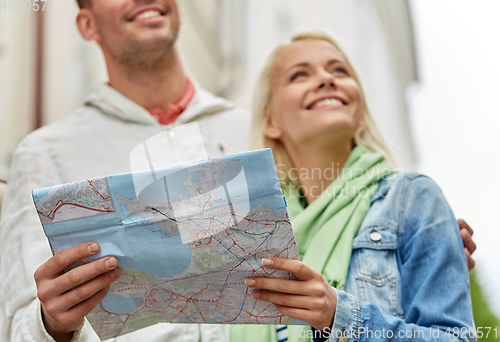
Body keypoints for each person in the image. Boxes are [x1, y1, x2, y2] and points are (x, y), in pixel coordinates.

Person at [0, 1, 476, 341]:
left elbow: (347, 214)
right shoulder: (45, 153)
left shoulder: (260, 132)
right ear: (86, 23)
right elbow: (19, 328)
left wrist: (424, 246)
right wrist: (53, 325)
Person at [232, 31, 476, 342]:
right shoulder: (253, 231)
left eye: (339, 71)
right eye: (299, 75)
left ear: (358, 106)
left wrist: (340, 316)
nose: (325, 79)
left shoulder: (413, 198)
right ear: (271, 121)